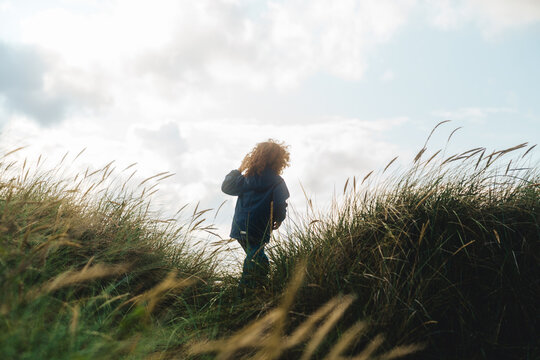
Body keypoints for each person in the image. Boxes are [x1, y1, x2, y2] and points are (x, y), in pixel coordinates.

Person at [221, 139, 290, 289]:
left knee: (256, 258)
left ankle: (258, 288)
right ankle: (244, 292)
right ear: (280, 161)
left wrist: (240, 168)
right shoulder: (277, 182)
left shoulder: (245, 179)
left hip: (240, 227)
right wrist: (279, 219)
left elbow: (226, 187)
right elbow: (280, 204)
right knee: (255, 258)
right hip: (259, 228)